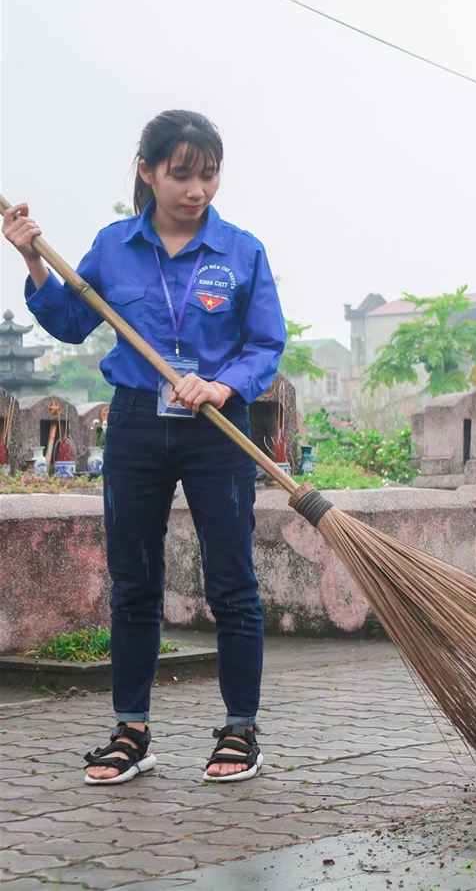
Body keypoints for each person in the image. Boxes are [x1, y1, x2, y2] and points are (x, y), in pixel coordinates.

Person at [3, 110, 285, 785]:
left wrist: (221, 386)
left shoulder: (241, 251)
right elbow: (71, 323)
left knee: (233, 583)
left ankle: (240, 728)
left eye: (208, 174)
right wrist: (32, 256)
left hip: (217, 431)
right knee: (132, 582)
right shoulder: (112, 246)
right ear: (147, 172)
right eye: (181, 174)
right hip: (134, 425)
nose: (197, 189)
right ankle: (131, 731)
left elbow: (266, 344)